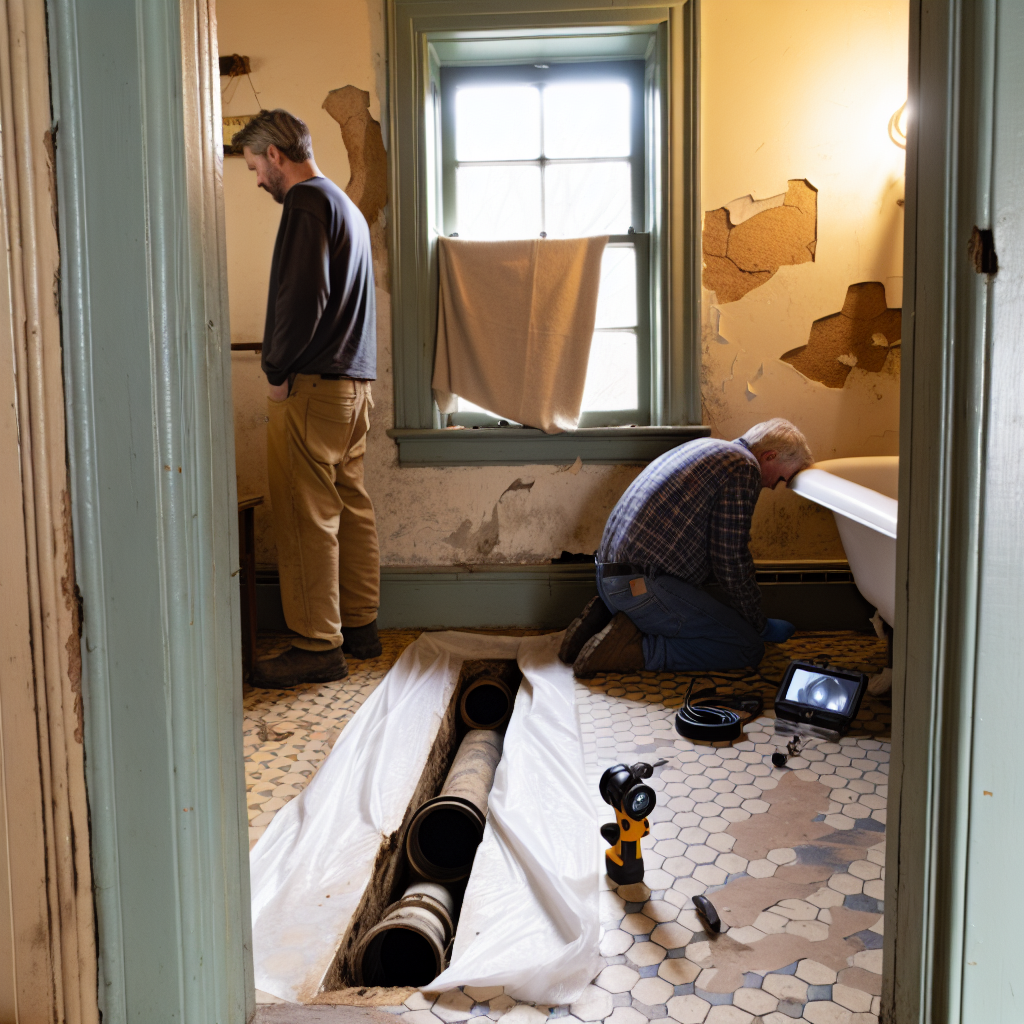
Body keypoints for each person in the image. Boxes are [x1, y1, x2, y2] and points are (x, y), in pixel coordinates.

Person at [232, 109, 381, 688]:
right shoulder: (346, 206)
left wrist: (276, 367)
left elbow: (301, 297)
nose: (258, 180)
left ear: (275, 154)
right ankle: (362, 626)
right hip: (354, 386)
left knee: (304, 515)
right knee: (350, 504)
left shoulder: (306, 203)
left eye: (255, 167)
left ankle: (318, 645)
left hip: (314, 386)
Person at [559, 419, 814, 676]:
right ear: (770, 456)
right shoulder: (744, 467)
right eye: (781, 479)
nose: (771, 486)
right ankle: (633, 649)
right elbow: (730, 559)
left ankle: (605, 622)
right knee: (747, 647)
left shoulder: (707, 447)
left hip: (609, 580)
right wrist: (758, 625)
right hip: (640, 587)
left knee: (715, 611)